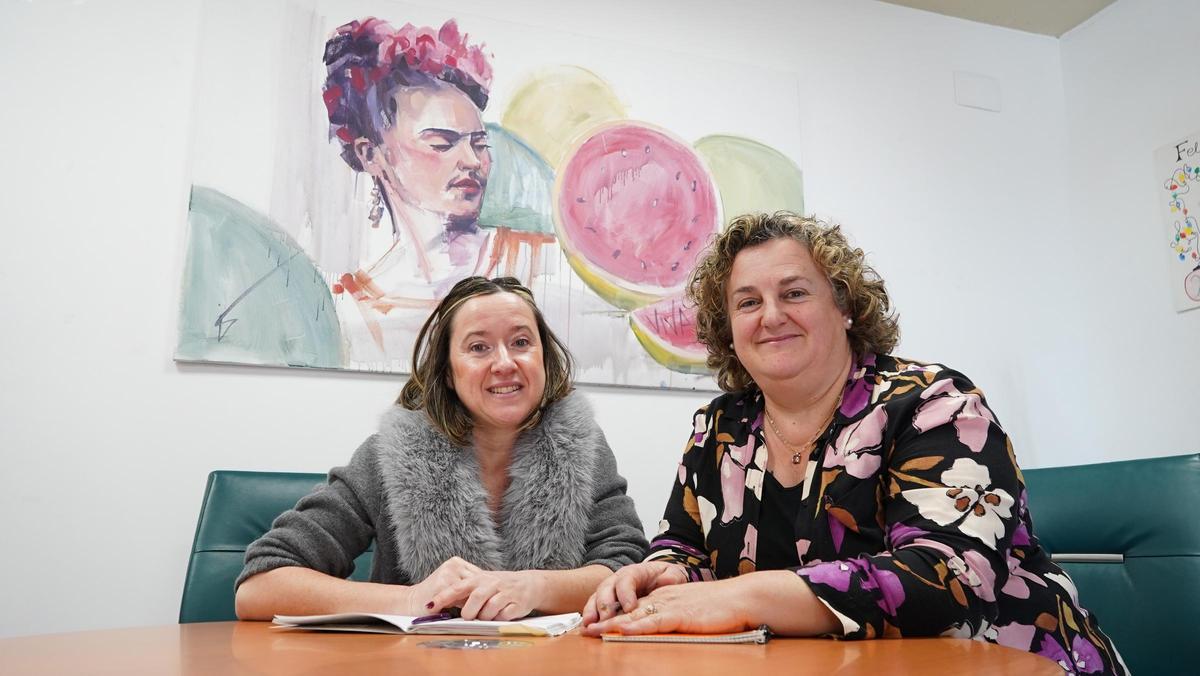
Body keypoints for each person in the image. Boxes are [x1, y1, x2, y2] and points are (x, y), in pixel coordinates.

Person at [581, 213, 1126, 674]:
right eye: (747, 302)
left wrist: (740, 597)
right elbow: (687, 547)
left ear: (844, 307)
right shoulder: (720, 427)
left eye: (794, 292)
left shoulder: (936, 405)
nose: (771, 316)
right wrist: (665, 573)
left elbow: (951, 576)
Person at [235, 276, 648, 621]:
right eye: (478, 347)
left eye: (521, 342)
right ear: (448, 373)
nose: (505, 362)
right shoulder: (390, 456)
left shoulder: (583, 446)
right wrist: (413, 600)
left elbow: (627, 571)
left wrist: (534, 586)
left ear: (544, 358)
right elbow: (260, 586)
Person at [323, 18, 502, 351]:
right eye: (441, 143)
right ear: (371, 154)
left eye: (479, 144)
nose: (473, 161)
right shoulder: (347, 309)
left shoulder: (528, 264)